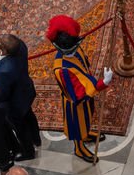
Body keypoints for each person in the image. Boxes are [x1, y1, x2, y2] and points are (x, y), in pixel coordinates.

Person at [47, 15, 113, 163]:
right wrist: (104, 82)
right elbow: (80, 94)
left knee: (88, 118)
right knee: (77, 127)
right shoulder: (62, 70)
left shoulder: (73, 49)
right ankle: (79, 148)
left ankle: (87, 133)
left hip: (84, 97)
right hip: (75, 104)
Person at [0, 34, 40, 160]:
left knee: (20, 127)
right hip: (26, 91)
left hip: (14, 103)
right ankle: (36, 138)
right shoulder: (21, 46)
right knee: (29, 115)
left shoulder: (3, 71)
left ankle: (28, 152)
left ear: (5, 51)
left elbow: (3, 94)